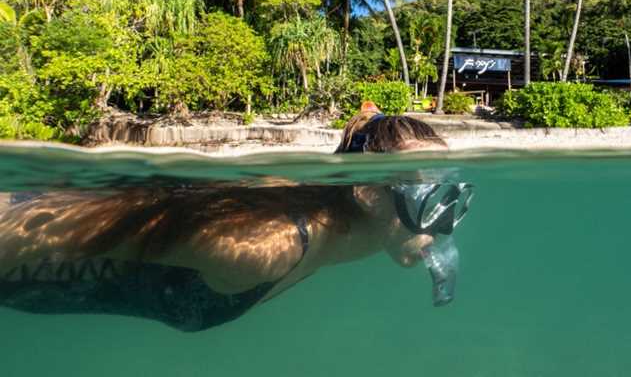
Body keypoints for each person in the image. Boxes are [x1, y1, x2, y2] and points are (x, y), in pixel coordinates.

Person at [0, 103, 471, 332]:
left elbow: (366, 123)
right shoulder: (267, 244)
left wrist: (369, 118)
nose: (445, 220)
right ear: (368, 194)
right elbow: (41, 221)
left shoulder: (346, 222)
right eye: (431, 199)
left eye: (453, 198)